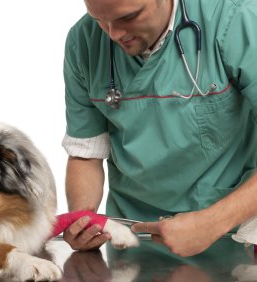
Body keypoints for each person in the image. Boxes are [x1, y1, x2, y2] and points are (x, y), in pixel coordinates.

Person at [61, 0, 257, 257]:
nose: (113, 34)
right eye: (100, 19)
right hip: (132, 237)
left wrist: (213, 222)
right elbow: (86, 153)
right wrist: (84, 220)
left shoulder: (236, 19)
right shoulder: (83, 41)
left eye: (127, 17)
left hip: (231, 234)